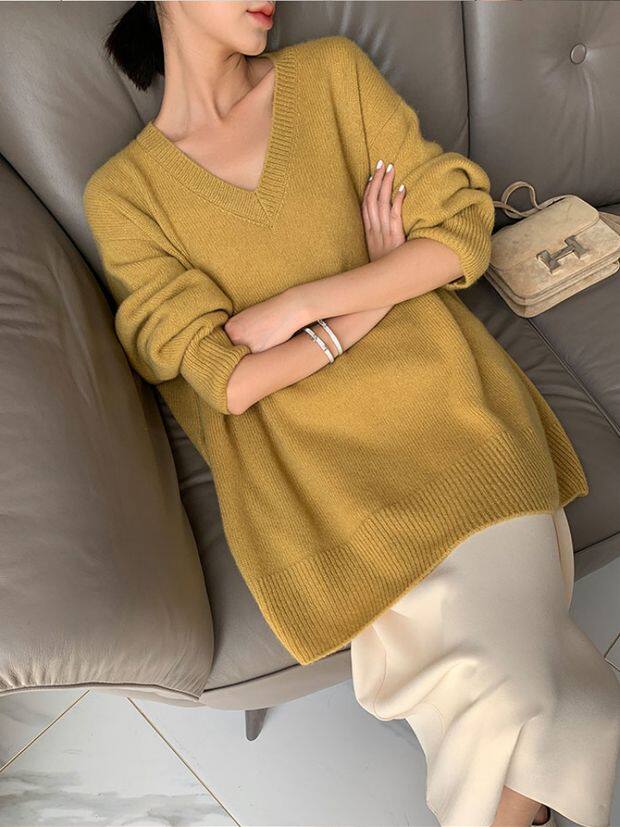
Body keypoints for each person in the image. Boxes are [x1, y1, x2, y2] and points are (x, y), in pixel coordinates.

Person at [82, 3, 620, 825]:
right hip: (321, 481)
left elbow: (460, 233)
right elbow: (229, 378)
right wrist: (380, 285)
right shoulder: (127, 194)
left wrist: (301, 305)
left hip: (453, 416)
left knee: (515, 685)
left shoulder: (332, 75)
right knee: (522, 692)